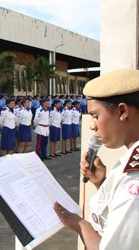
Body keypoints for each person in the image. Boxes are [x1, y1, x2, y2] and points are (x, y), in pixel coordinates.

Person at [54, 68, 139, 250]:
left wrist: (79, 224)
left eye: (95, 115)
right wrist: (102, 184)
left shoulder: (134, 181)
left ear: (123, 111)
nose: (92, 125)